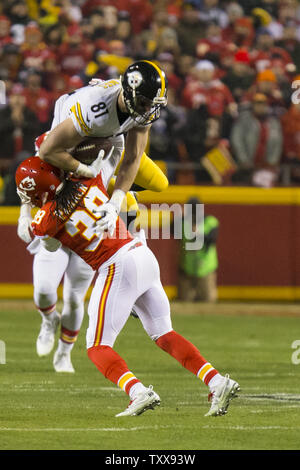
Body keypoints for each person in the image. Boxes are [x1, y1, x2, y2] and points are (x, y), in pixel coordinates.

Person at [16, 155, 240, 417]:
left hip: (115, 265)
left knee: (96, 345)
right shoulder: (86, 177)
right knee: (164, 334)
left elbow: (49, 243)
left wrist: (26, 212)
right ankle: (217, 382)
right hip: (141, 251)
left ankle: (137, 391)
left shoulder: (45, 220)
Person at [17, 61, 169, 372]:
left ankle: (65, 350)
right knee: (46, 286)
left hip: (102, 146)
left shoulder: (135, 108)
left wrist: (116, 200)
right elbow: (43, 156)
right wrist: (82, 172)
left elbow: (135, 156)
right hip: (73, 148)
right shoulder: (92, 116)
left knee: (158, 183)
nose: (147, 111)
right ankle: (49, 320)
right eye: (142, 103)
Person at [178, 198, 219, 303]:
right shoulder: (182, 222)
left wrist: (198, 233)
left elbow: (211, 240)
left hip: (205, 268)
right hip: (187, 268)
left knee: (208, 300)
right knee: (185, 301)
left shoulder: (210, 222)